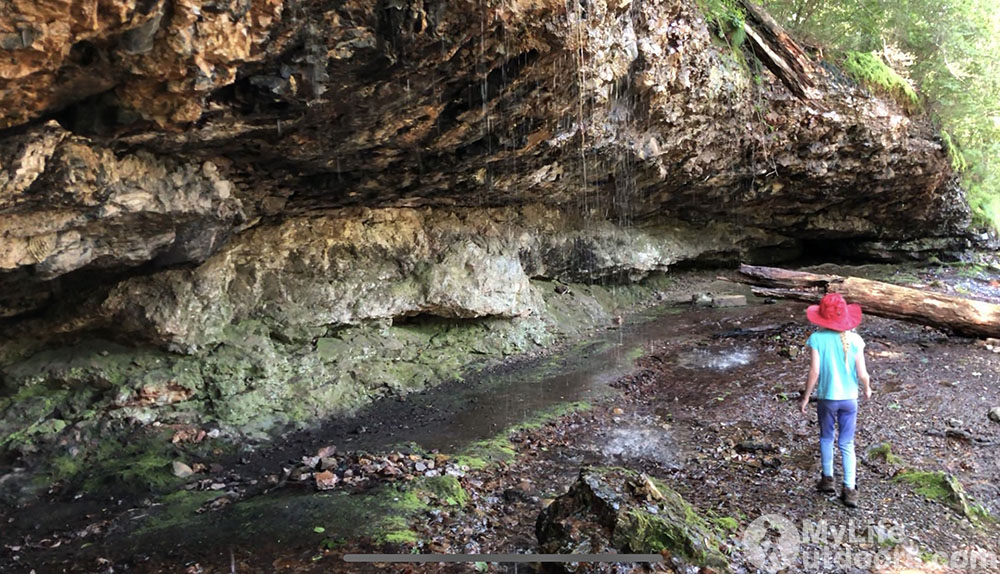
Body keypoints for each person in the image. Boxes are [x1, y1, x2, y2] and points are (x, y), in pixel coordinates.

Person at [798, 293, 872, 508]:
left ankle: (827, 479)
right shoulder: (856, 340)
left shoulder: (817, 339)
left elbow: (815, 371)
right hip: (850, 399)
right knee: (847, 443)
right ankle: (850, 489)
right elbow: (863, 374)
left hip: (827, 399)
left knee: (826, 438)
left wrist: (806, 397)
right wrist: (867, 389)